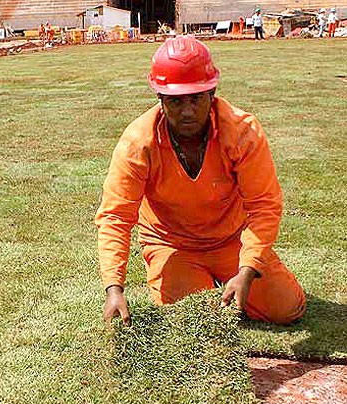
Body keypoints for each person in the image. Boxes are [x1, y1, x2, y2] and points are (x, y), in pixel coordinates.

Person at [95, 35, 306, 326]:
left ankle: (232, 279)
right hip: (171, 245)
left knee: (287, 309)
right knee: (196, 319)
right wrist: (114, 287)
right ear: (160, 99)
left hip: (231, 239)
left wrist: (247, 268)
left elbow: (264, 206)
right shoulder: (137, 143)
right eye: (175, 101)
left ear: (213, 92)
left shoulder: (243, 133)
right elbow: (116, 216)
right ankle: (201, 281)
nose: (187, 112)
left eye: (196, 98)